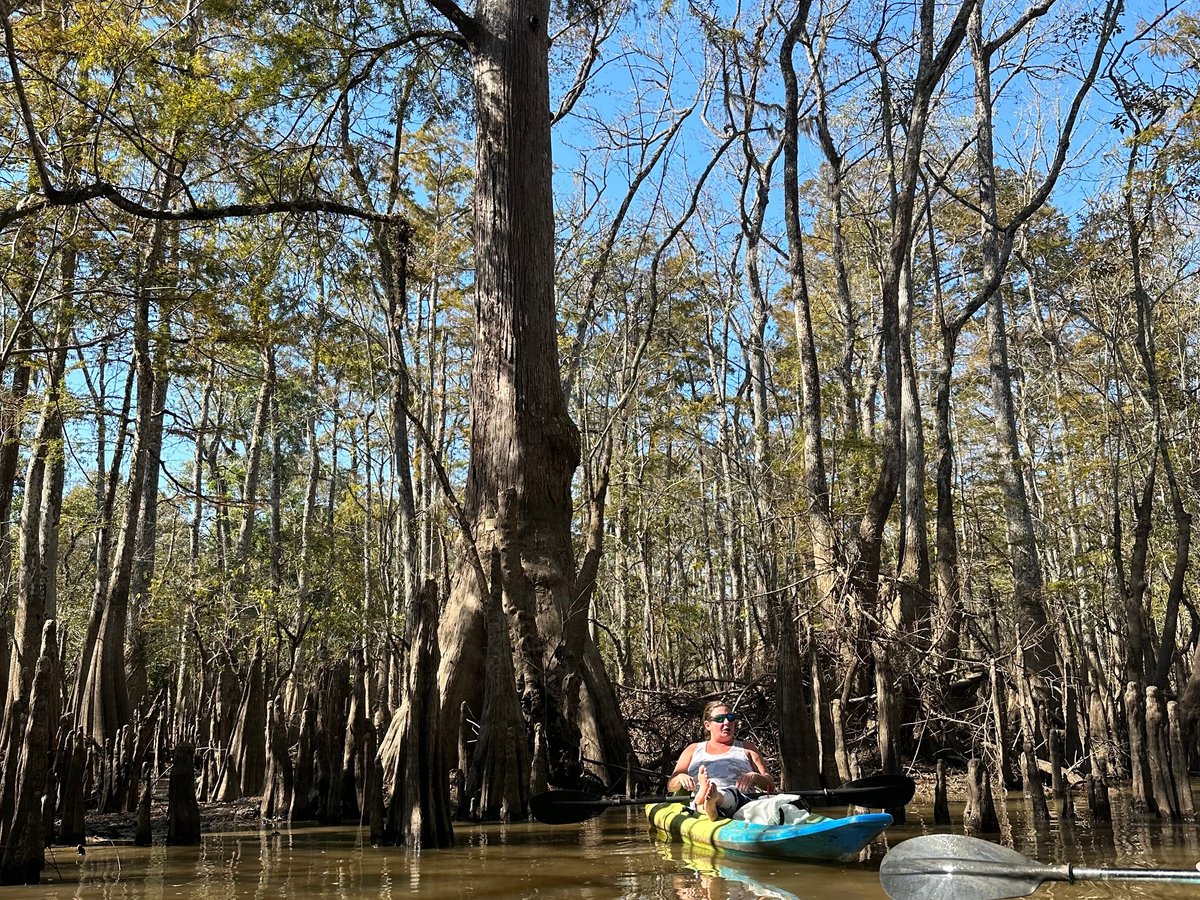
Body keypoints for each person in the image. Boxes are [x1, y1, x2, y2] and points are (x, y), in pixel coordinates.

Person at [666, 700, 775, 821]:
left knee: (725, 795)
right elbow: (670, 785)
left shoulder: (747, 748)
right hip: (701, 808)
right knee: (704, 799)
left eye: (730, 717)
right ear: (707, 725)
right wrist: (680, 777)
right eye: (720, 719)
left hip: (742, 805)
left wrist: (755, 776)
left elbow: (770, 785)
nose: (727, 722)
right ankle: (708, 800)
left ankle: (714, 798)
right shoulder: (693, 749)